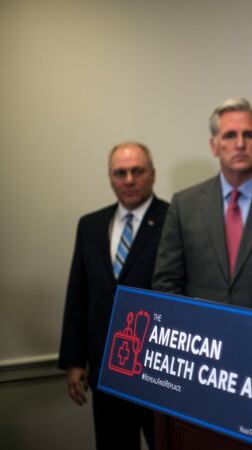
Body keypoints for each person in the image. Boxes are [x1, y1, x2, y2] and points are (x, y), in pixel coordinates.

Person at [152, 97, 252, 311]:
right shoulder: (184, 205)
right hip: (200, 336)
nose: (240, 144)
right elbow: (166, 283)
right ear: (214, 145)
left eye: (248, 134)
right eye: (230, 135)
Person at [58, 141, 168, 450]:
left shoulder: (174, 220)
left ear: (153, 174)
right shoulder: (90, 225)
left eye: (137, 171)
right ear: (110, 177)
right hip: (107, 366)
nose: (129, 180)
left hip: (158, 368)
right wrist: (74, 360)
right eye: (121, 173)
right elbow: (77, 295)